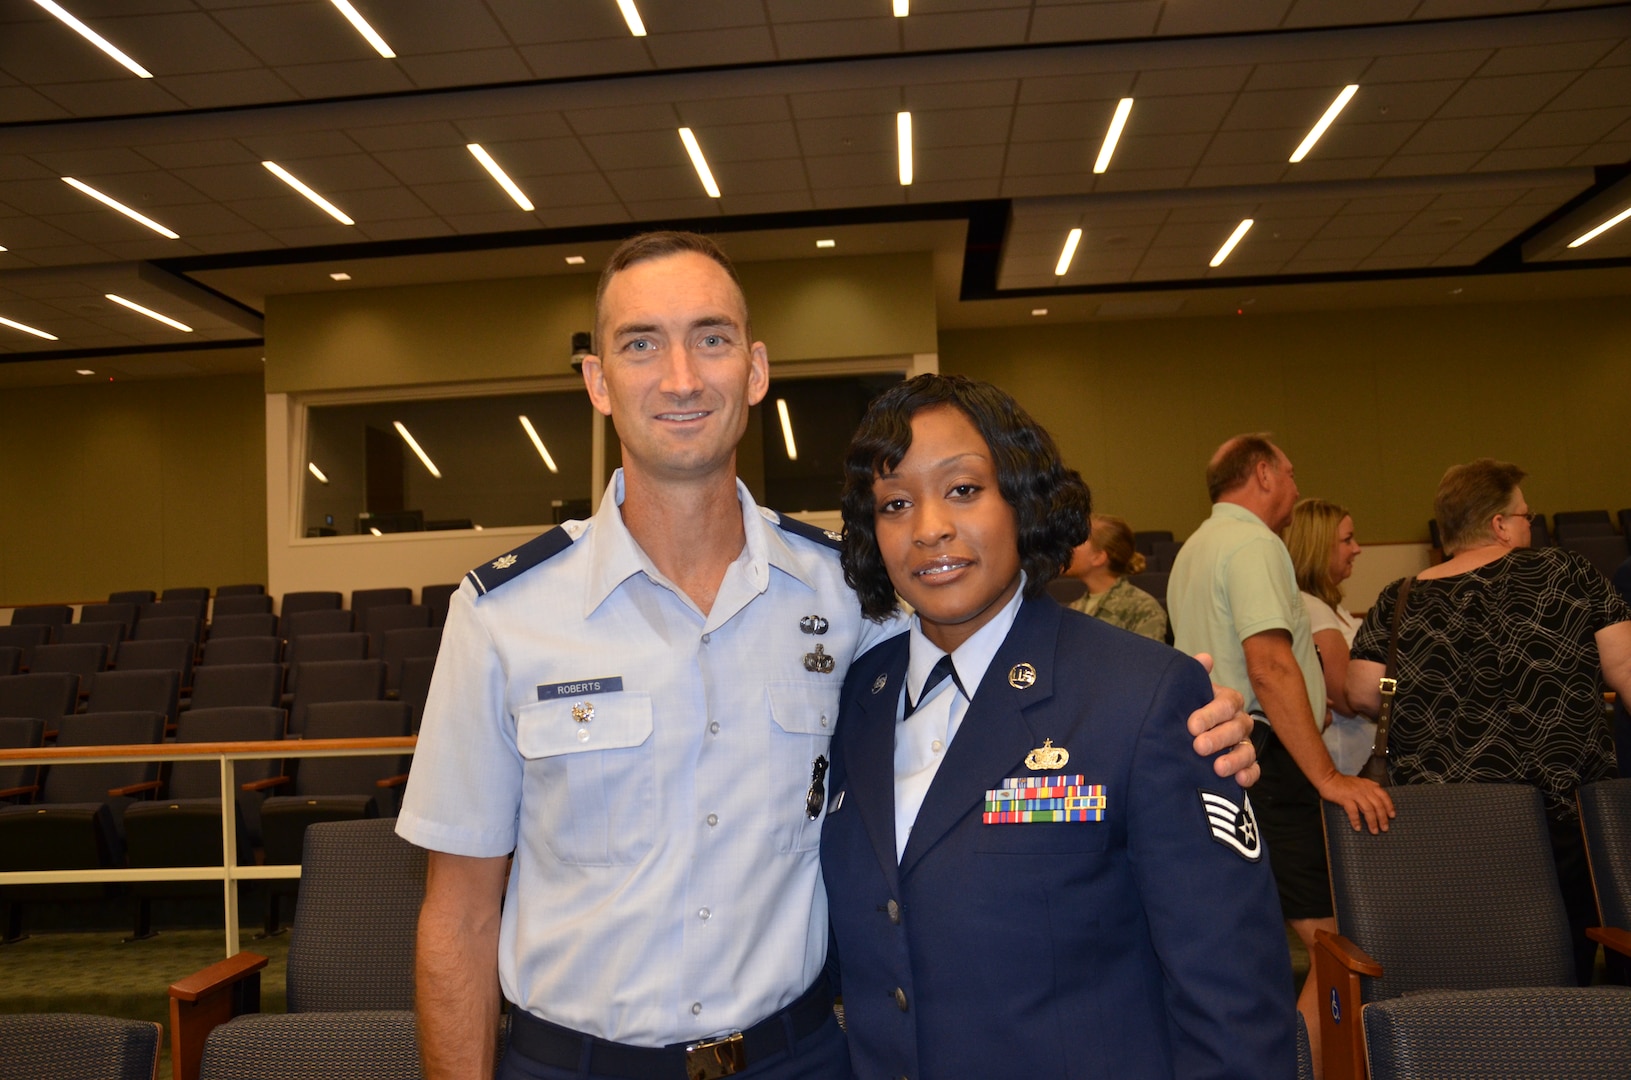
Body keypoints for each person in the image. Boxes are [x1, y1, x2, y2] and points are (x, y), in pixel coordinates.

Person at [396, 231, 1260, 1080]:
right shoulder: (504, 614)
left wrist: (1193, 719)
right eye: (640, 344)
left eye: (711, 339)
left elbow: (1003, 673)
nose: (682, 376)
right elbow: (459, 916)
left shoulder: (850, 593)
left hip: (797, 1057)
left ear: (756, 370)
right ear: (597, 381)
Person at [822, 375, 1296, 1079]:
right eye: (894, 504)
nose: (928, 528)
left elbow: (1232, 999)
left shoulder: (1142, 695)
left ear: (1021, 498)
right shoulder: (854, 697)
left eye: (962, 490)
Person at [1347, 459, 1631, 984]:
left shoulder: (1400, 595)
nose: (1530, 527)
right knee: (1563, 961)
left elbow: (1362, 691)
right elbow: (1626, 670)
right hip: (1559, 815)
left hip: (1448, 821)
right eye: (1526, 516)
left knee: (1468, 963)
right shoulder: (1567, 572)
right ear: (1500, 524)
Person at [1167, 434, 1394, 1068]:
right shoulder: (1253, 543)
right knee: (1336, 944)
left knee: (1254, 939)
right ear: (1263, 474)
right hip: (1265, 755)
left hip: (1220, 755)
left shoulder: (1195, 548)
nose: (1296, 489)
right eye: (1290, 474)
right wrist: (1326, 775)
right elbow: (1267, 666)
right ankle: (1295, 1065)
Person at [1285, 499, 1372, 775]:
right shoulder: (1310, 608)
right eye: (1347, 540)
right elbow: (1349, 699)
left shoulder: (1333, 609)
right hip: (1344, 759)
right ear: (1320, 549)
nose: (1356, 549)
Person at [1067, 513, 1168, 641]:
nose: (1069, 548)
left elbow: (1148, 660)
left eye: (1077, 541)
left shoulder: (1142, 609)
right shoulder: (1075, 608)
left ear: (1098, 557)